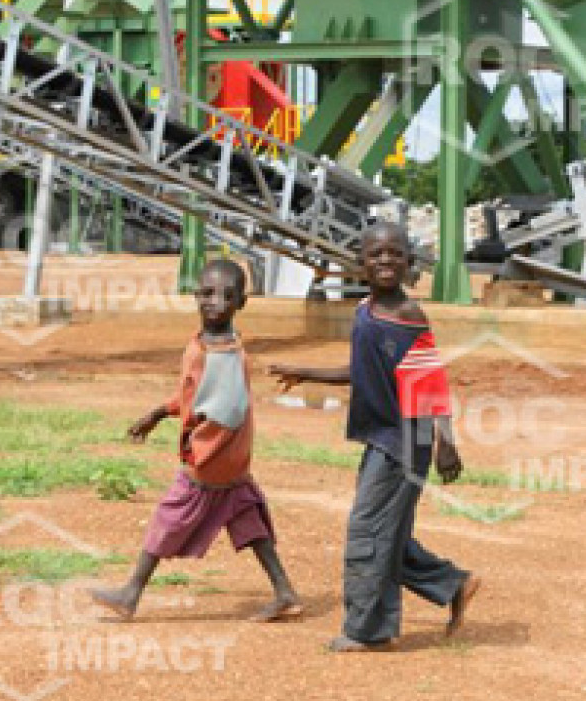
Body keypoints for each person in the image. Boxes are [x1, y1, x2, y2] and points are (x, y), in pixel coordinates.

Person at [271, 221, 480, 651]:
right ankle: (452, 584)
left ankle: (366, 630)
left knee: (367, 528)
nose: (385, 261)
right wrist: (306, 372)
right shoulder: (365, 311)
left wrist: (446, 441)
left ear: (409, 261)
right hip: (383, 436)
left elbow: (430, 382)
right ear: (360, 263)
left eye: (395, 253)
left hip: (406, 441)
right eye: (375, 254)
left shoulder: (408, 317)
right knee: (389, 531)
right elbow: (362, 373)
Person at [91, 259, 302, 622]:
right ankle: (284, 590)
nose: (215, 302)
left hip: (210, 461)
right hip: (232, 462)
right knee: (247, 517)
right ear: (195, 296)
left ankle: (130, 593)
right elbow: (195, 397)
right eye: (207, 293)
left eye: (226, 295)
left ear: (241, 303)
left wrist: (201, 452)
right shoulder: (210, 345)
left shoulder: (222, 355)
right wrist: (158, 414)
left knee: (168, 516)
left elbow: (229, 411)